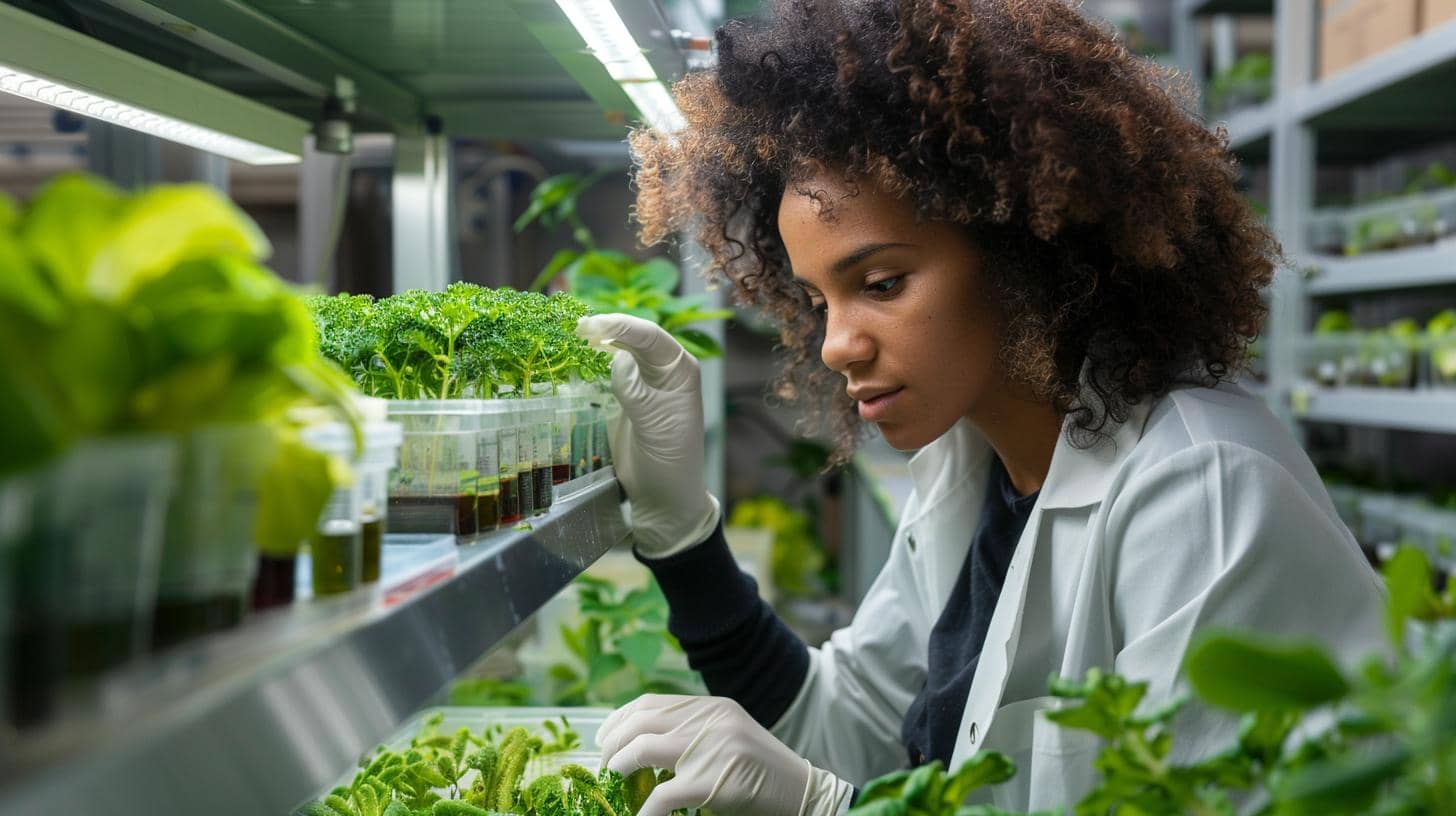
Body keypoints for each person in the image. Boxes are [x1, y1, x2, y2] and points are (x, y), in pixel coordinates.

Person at [575, 1, 1387, 813]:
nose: (834, 345)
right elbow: (842, 726)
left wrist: (831, 808)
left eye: (881, 284)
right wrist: (682, 536)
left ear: (1023, 248)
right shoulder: (974, 463)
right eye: (818, 299)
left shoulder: (1203, 496)